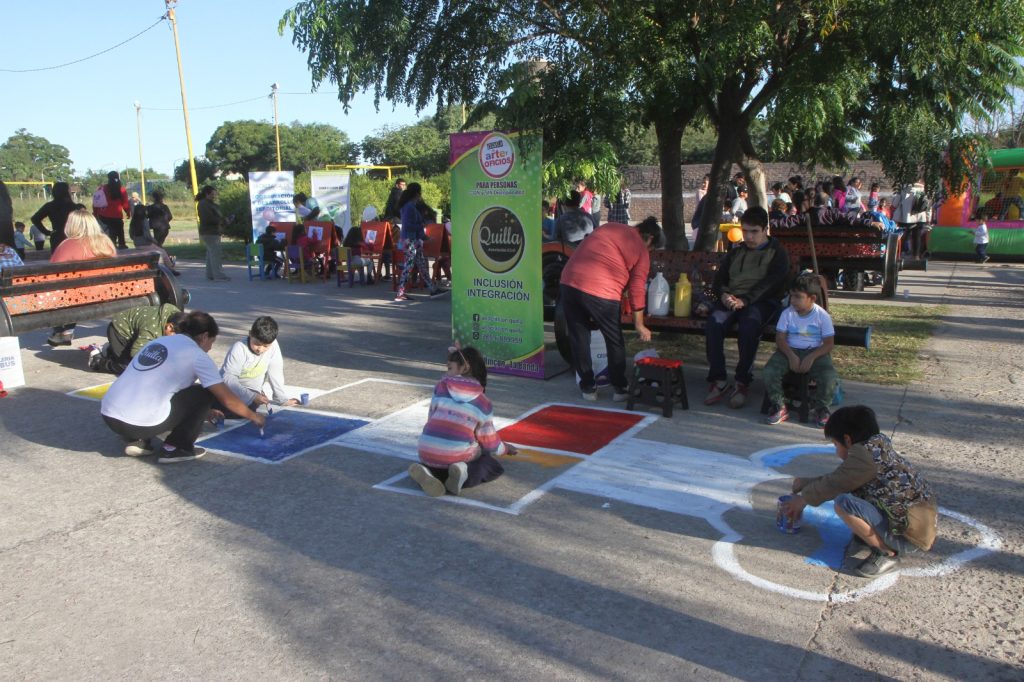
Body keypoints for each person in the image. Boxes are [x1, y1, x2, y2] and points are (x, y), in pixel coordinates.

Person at [781, 405, 938, 577]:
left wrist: (802, 499)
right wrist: (807, 483)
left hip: (909, 535)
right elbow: (841, 477)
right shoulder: (876, 449)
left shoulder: (864, 459)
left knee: (844, 503)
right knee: (853, 493)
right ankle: (875, 537)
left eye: (835, 444)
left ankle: (886, 553)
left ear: (847, 440)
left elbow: (834, 484)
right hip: (913, 525)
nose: (835, 451)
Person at [100, 311, 266, 463]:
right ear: (204, 336)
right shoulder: (197, 356)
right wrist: (253, 416)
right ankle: (176, 448)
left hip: (110, 415)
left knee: (164, 389)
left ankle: (138, 440)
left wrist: (203, 413)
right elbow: (226, 398)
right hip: (137, 422)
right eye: (212, 342)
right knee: (203, 393)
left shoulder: (160, 341)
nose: (210, 347)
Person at [560, 217, 664, 401]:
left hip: (569, 281)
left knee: (579, 337)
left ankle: (588, 387)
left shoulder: (610, 227)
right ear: (650, 239)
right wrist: (639, 325)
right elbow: (637, 289)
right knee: (614, 339)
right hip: (602, 291)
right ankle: (619, 387)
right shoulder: (641, 250)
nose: (650, 251)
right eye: (652, 248)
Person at [704, 206, 790, 409]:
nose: (749, 236)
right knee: (714, 323)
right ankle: (719, 379)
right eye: (746, 231)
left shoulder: (777, 252)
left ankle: (742, 381)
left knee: (749, 326)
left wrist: (746, 300)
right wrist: (724, 295)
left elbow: (772, 284)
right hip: (731, 300)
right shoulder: (736, 252)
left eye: (754, 231)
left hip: (761, 302)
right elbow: (719, 281)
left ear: (765, 230)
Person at [407, 345, 517, 497]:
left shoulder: (440, 387)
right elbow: (489, 441)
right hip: (456, 455)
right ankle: (464, 474)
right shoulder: (483, 402)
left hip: (426, 451)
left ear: (464, 368)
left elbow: (431, 418)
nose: (447, 372)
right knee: (488, 463)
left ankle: (427, 471)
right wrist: (504, 448)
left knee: (439, 460)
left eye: (450, 368)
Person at [762, 274, 838, 427]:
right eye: (791, 296)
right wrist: (791, 356)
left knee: (829, 377)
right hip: (790, 349)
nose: (793, 301)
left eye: (798, 297)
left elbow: (828, 344)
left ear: (812, 298)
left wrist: (811, 357)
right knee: (769, 371)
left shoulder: (822, 316)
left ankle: (821, 408)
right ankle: (779, 405)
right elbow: (780, 339)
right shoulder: (787, 313)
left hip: (815, 351)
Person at [47, 210, 117, 346]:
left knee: (61, 290)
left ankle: (63, 331)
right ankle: (64, 332)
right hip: (109, 292)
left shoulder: (67, 245)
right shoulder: (106, 242)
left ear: (71, 225)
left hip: (79, 296)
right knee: (75, 289)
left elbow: (52, 274)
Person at [214, 316, 300, 419]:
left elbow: (275, 372)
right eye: (257, 344)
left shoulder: (273, 346)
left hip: (252, 391)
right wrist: (251, 396)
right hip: (228, 389)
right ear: (250, 334)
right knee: (213, 399)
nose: (260, 349)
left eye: (265, 346)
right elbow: (228, 378)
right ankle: (211, 409)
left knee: (247, 409)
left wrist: (282, 399)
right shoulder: (239, 348)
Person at [89, 304, 185, 375]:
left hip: (136, 334)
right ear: (169, 327)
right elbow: (136, 353)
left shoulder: (176, 316)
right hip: (119, 331)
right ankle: (98, 361)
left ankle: (111, 350)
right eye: (176, 337)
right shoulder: (152, 329)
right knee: (129, 368)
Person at [394, 182, 445, 301]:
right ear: (417, 193)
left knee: (420, 266)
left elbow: (409, 225)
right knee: (409, 267)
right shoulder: (410, 207)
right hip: (411, 241)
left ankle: (432, 289)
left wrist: (422, 233)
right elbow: (409, 225)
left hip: (411, 241)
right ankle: (400, 293)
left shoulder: (408, 206)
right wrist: (422, 226)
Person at [30, 181, 80, 251]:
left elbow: (35, 219)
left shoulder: (49, 206)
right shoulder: (75, 207)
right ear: (66, 191)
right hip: (73, 236)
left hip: (57, 236)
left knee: (58, 259)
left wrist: (47, 232)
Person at [196, 185, 231, 281]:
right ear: (207, 193)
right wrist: (222, 221)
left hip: (212, 231)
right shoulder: (204, 204)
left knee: (210, 254)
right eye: (212, 194)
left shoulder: (208, 203)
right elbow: (208, 218)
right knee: (215, 254)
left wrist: (224, 220)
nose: (214, 196)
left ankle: (210, 274)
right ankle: (218, 275)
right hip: (210, 232)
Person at [93, 171, 132, 249]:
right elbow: (125, 203)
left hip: (103, 216)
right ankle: (122, 250)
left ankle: (108, 251)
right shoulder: (122, 189)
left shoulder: (102, 188)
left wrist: (95, 213)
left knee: (107, 237)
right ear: (118, 177)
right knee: (120, 235)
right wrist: (128, 212)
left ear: (108, 178)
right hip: (117, 216)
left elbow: (96, 202)